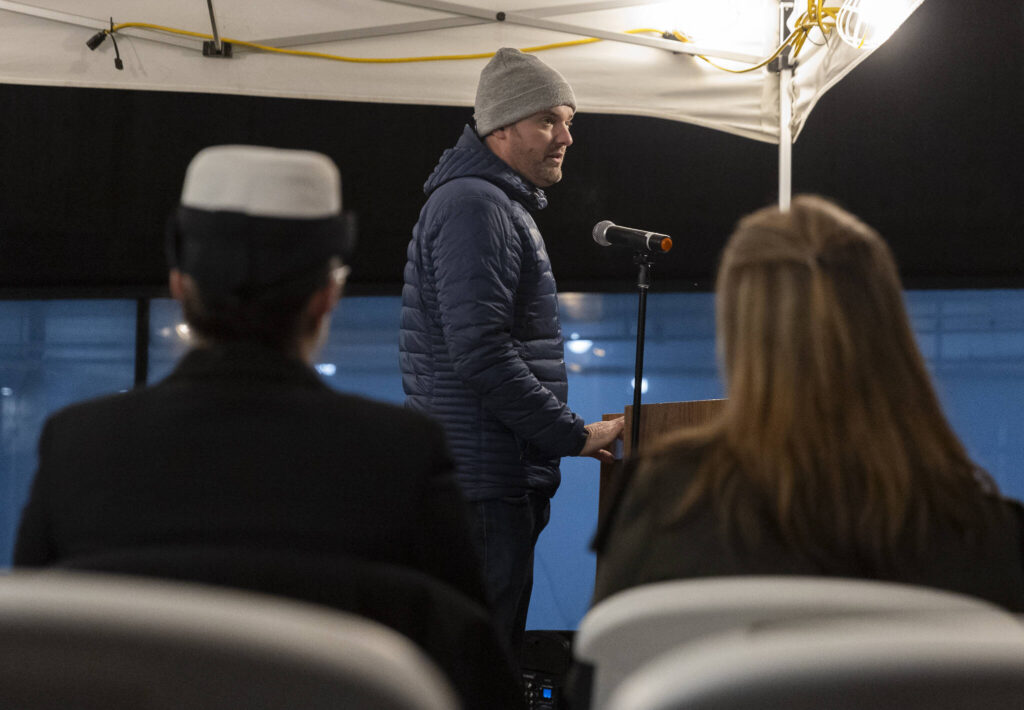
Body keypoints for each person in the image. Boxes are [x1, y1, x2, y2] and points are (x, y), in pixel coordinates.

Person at [13, 146, 528, 708]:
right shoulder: (399, 457)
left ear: (180, 287)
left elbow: (27, 666)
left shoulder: (78, 447)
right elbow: (479, 682)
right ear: (326, 297)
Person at [591, 195, 1024, 611]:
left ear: (739, 334)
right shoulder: (995, 539)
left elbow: (602, 681)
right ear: (890, 327)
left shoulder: (666, 510)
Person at [400, 48, 624, 654]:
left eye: (570, 121)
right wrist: (572, 435)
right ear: (501, 126)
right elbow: (481, 353)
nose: (567, 137)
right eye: (550, 120)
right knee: (478, 667)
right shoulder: (476, 204)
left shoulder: (490, 203)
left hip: (490, 479)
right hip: (485, 487)